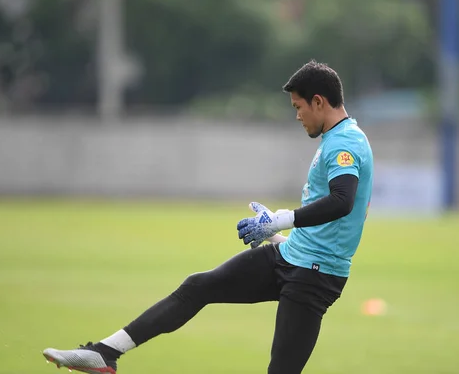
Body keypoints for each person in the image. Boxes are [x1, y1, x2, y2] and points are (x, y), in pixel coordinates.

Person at [42, 60, 374, 374]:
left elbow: (342, 202)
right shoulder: (336, 139)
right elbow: (338, 213)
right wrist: (280, 233)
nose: (298, 116)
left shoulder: (345, 143)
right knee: (198, 286)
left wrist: (281, 219)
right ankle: (104, 353)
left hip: (314, 275)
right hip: (292, 256)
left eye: (298, 107)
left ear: (318, 102)